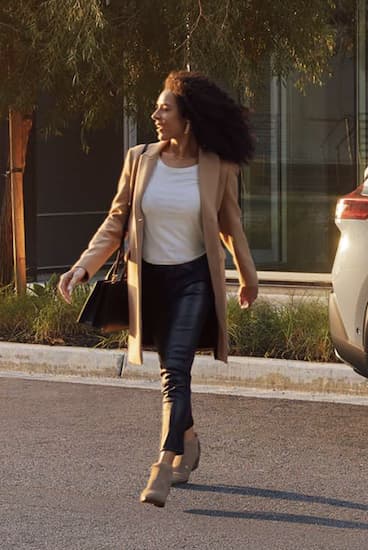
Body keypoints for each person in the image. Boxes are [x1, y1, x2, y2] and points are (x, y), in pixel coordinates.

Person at [57, 71, 259, 507]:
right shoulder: (140, 158)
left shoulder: (216, 166)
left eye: (164, 108)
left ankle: (163, 465)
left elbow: (231, 225)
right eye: (157, 107)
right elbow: (116, 222)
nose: (155, 114)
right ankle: (189, 439)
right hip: (150, 283)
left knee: (175, 374)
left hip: (193, 282)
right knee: (172, 372)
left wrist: (248, 277)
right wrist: (82, 267)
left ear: (188, 119)